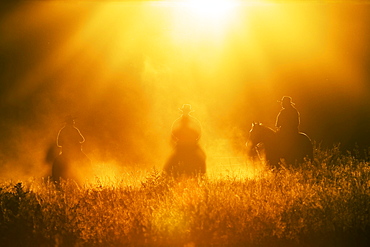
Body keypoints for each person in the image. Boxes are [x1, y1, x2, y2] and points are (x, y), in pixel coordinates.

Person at [164, 104, 206, 177]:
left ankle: (202, 175)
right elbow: (199, 133)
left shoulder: (180, 122)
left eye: (187, 111)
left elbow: (172, 136)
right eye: (185, 111)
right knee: (202, 158)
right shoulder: (192, 122)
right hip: (187, 146)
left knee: (169, 164)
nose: (186, 112)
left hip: (186, 146)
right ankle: (201, 175)